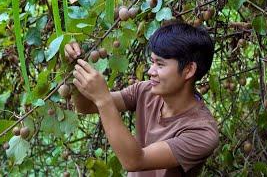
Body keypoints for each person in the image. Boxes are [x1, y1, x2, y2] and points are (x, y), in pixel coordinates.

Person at [64, 20, 219, 177]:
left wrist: (103, 99)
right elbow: (86, 107)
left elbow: (134, 161)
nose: (151, 71)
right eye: (152, 62)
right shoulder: (146, 91)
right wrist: (75, 65)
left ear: (188, 70)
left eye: (160, 64)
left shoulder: (203, 132)